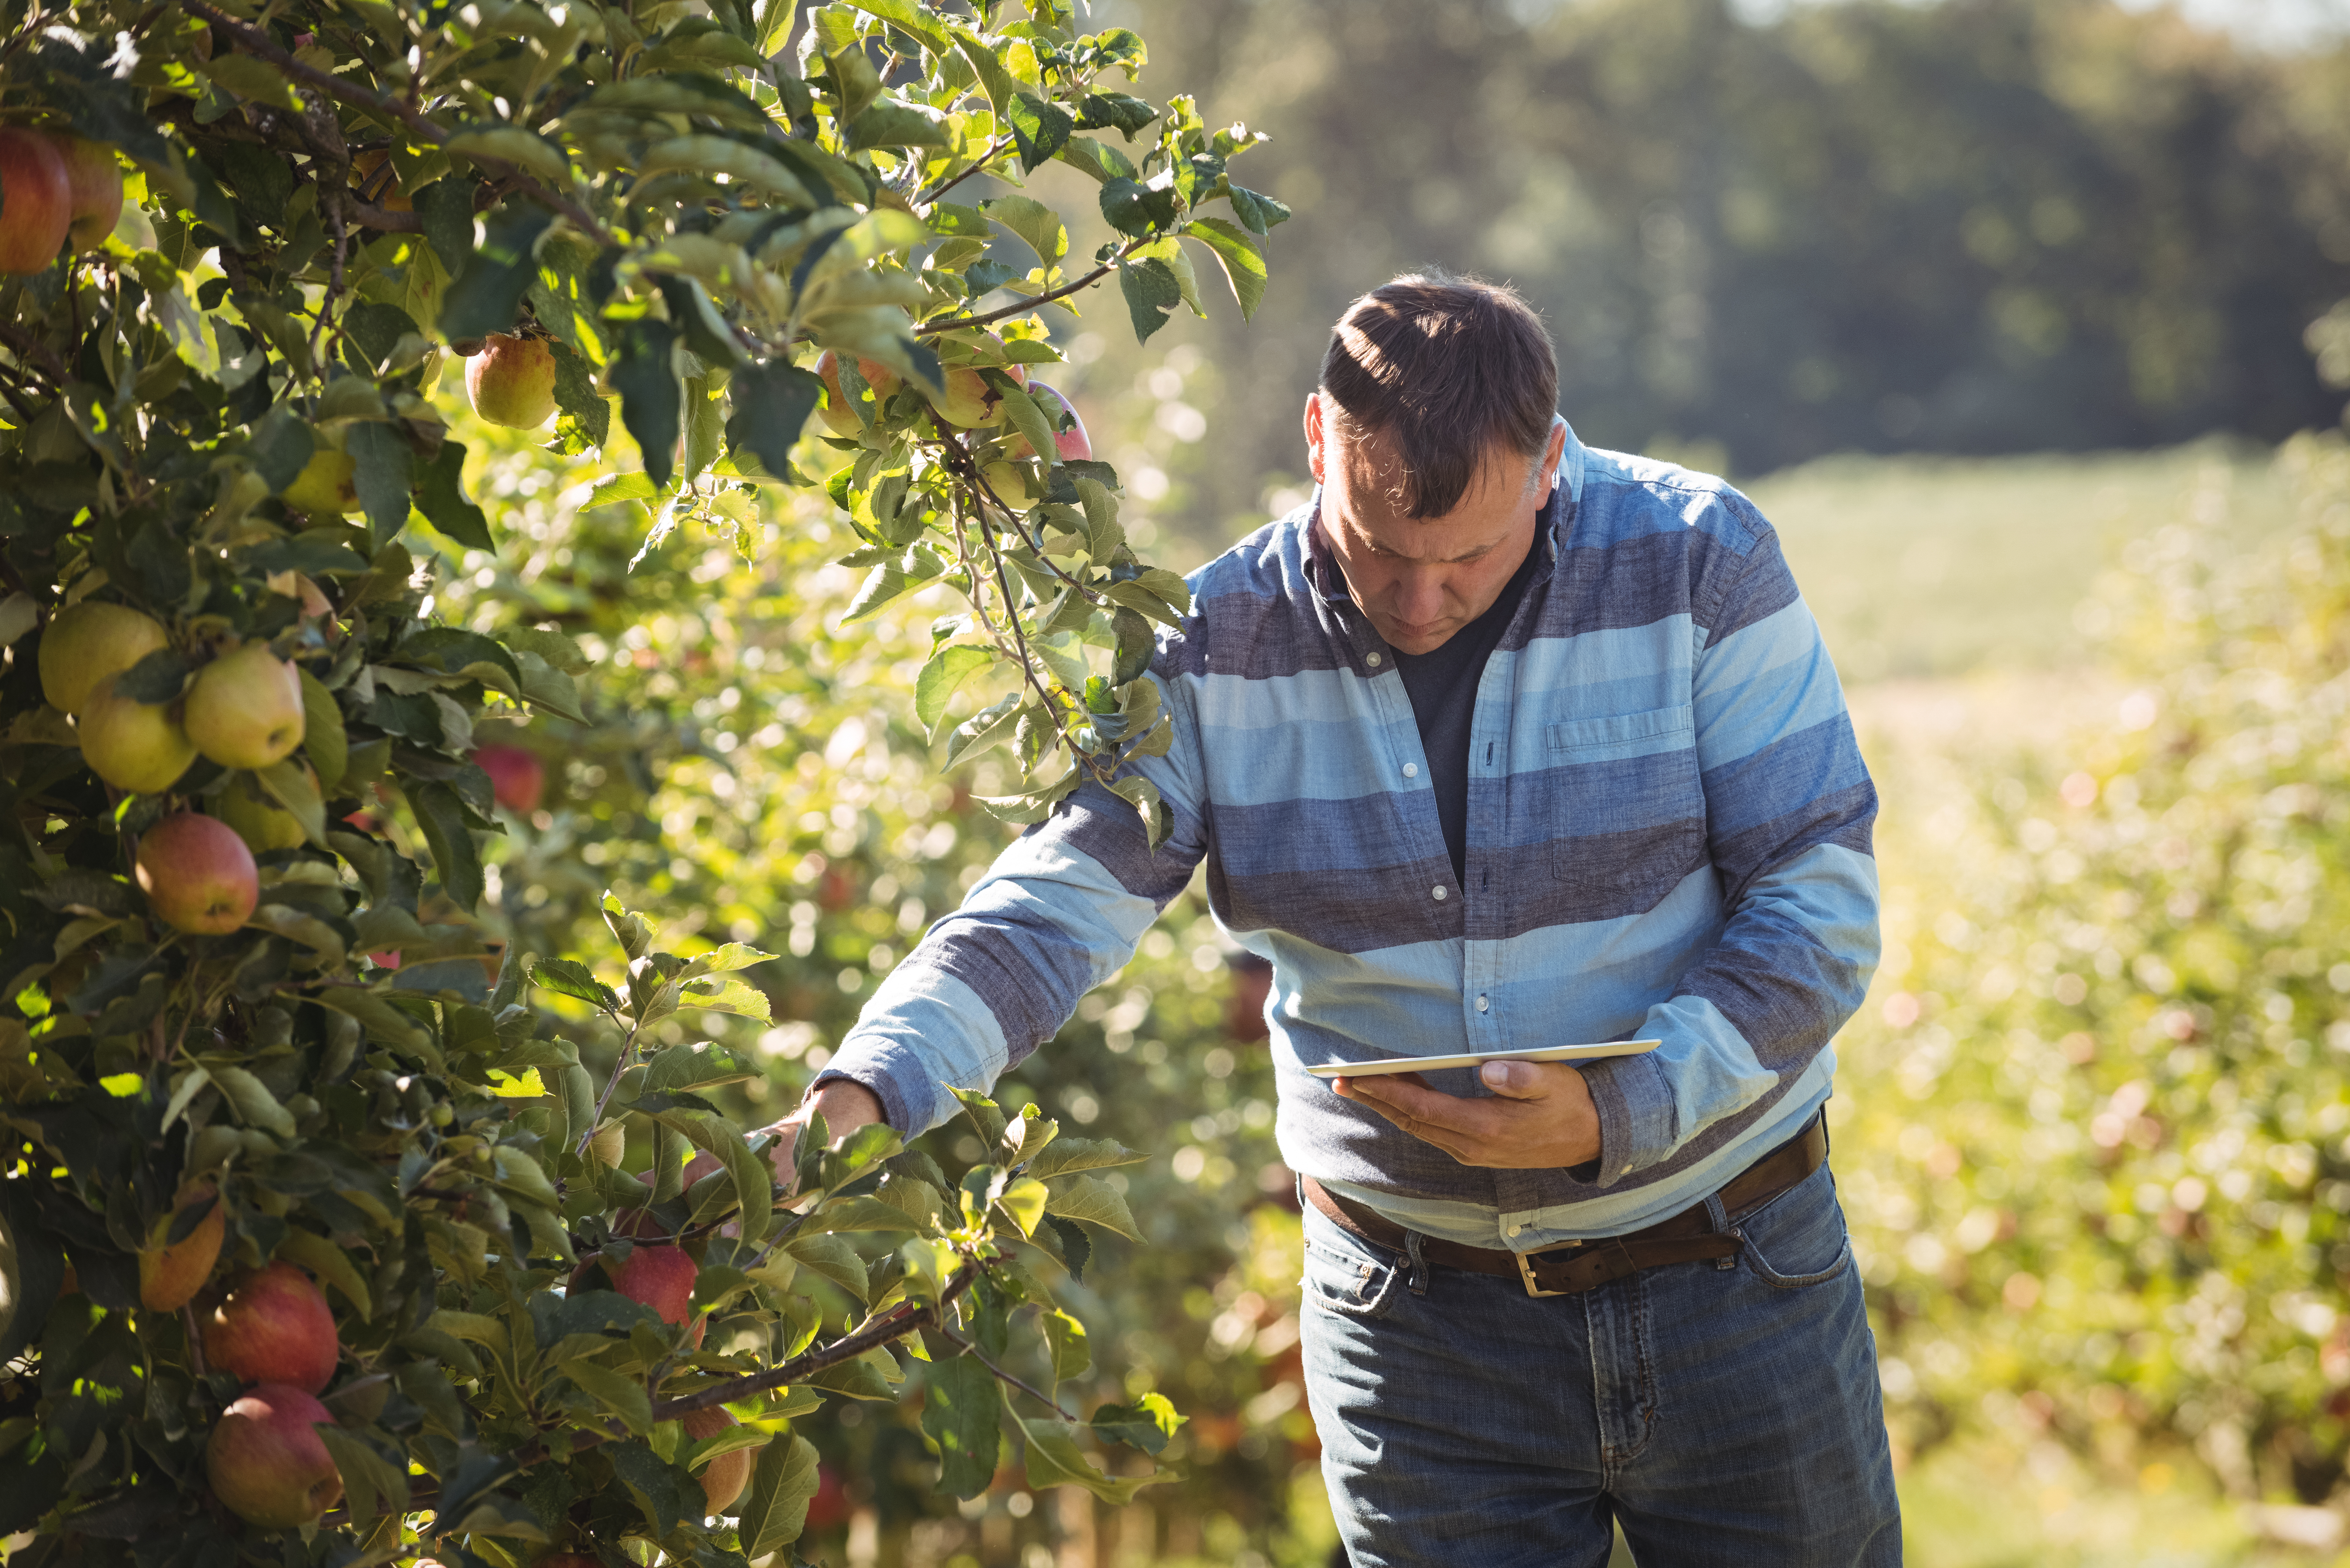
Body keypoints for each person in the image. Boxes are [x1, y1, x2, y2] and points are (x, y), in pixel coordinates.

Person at [773, 273, 1900, 1565]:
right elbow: (1051, 909)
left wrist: (1620, 1111)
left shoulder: (1698, 558)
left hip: (1731, 1279)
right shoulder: (1214, 644)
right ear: (1319, 439)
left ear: (1547, 464)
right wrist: (859, 1097)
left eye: (1467, 558)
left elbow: (1817, 898)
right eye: (1381, 550)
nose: (1418, 603)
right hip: (1421, 1336)